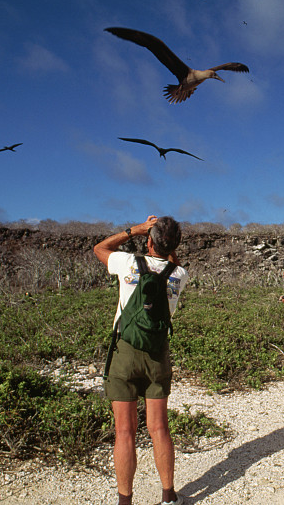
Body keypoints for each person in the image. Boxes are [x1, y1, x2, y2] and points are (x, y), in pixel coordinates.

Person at [94, 215, 188, 505]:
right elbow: (171, 260)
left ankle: (125, 500)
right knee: (159, 427)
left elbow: (100, 248)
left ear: (149, 241)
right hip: (158, 353)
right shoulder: (179, 274)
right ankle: (168, 496)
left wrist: (134, 230)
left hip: (125, 351)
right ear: (175, 245)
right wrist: (164, 243)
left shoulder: (127, 263)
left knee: (124, 431)